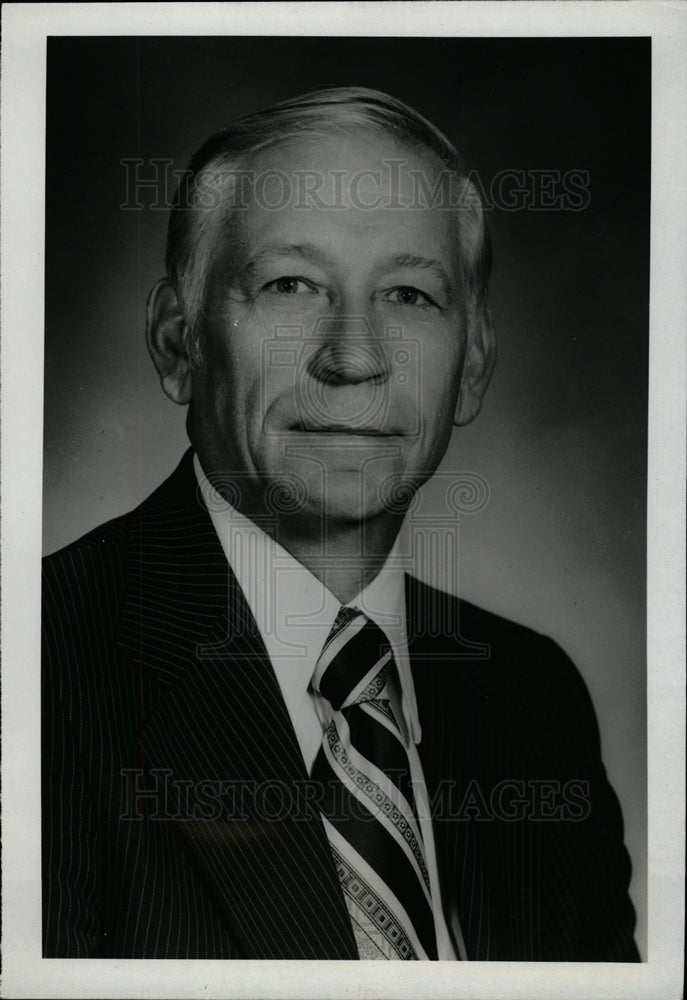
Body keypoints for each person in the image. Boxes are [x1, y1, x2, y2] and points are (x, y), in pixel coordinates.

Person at [42, 86, 639, 961]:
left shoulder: (534, 701)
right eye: (290, 284)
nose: (353, 355)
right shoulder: (36, 667)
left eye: (407, 295)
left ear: (470, 368)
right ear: (178, 341)